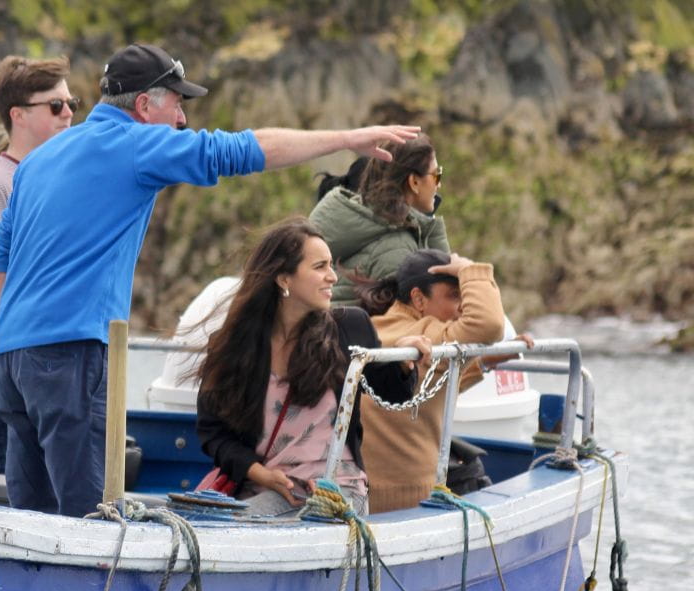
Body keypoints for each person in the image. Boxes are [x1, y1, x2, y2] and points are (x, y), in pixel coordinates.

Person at [0, 42, 423, 518]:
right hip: (69, 352)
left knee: (26, 518)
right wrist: (345, 139)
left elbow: (0, 267)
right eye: (177, 103)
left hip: (9, 357)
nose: (181, 119)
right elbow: (246, 151)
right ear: (143, 105)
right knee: (89, 521)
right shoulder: (136, 145)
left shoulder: (35, 161)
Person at [195, 219, 432, 516]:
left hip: (337, 489)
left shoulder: (349, 327)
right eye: (320, 267)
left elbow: (392, 391)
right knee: (211, 528)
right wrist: (258, 473)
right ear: (284, 279)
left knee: (237, 529)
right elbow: (213, 432)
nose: (333, 277)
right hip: (263, 488)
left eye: (331, 265)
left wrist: (401, 360)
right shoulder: (235, 345)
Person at [355, 249, 532, 513]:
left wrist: (483, 363)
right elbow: (488, 325)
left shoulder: (375, 326)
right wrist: (470, 270)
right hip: (410, 501)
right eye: (454, 295)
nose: (462, 306)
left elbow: (418, 392)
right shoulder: (425, 334)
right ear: (418, 298)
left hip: (363, 496)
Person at [0, 55, 75, 475]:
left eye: (72, 103)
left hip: (48, 358)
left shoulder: (59, 177)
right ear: (18, 115)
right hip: (0, 359)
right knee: (8, 482)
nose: (68, 113)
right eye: (56, 105)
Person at [308, 134, 449, 306]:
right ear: (414, 182)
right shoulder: (396, 248)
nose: (439, 184)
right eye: (436, 175)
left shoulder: (366, 223)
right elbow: (409, 324)